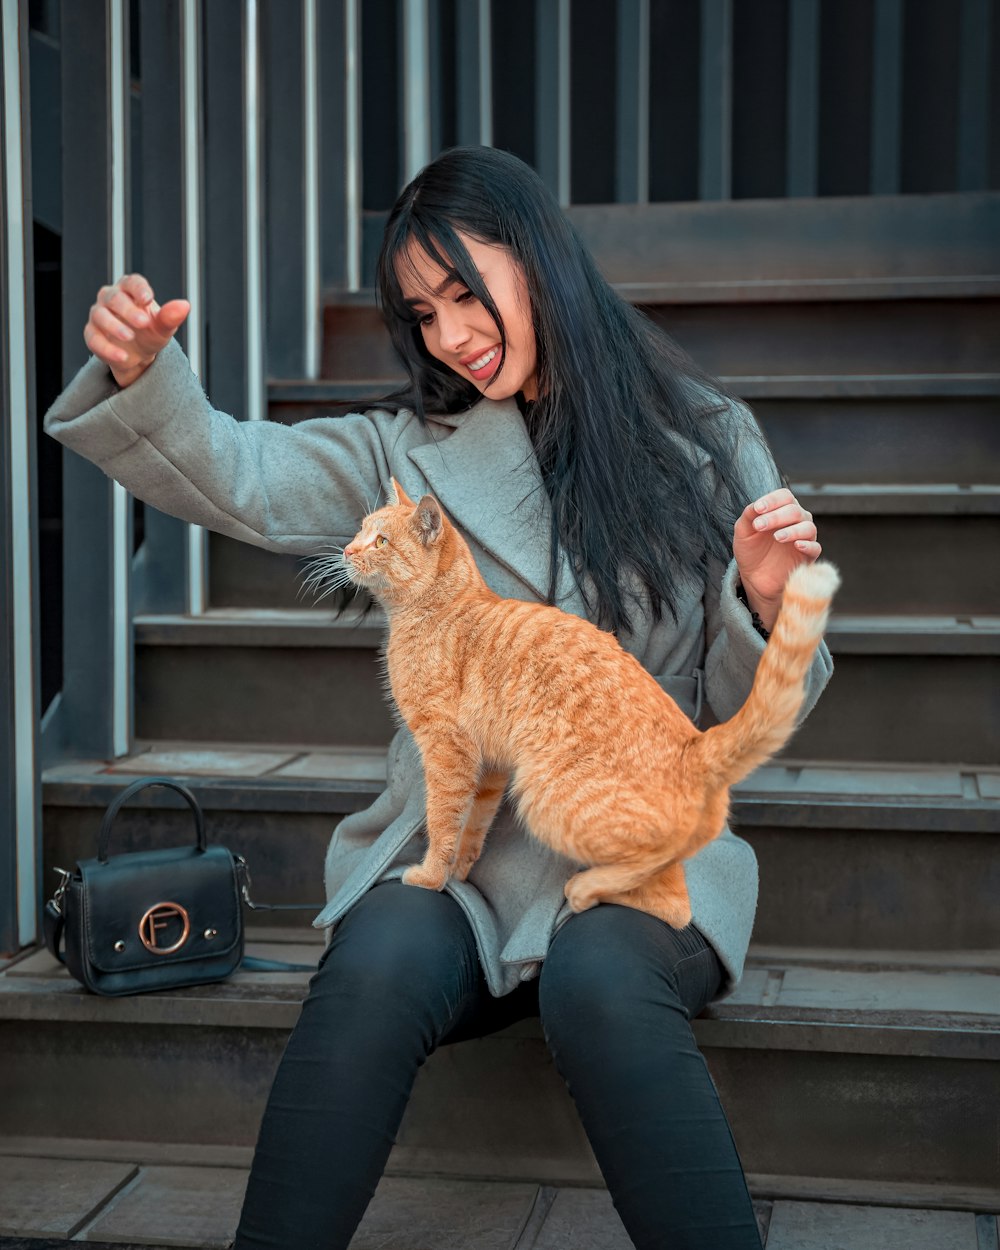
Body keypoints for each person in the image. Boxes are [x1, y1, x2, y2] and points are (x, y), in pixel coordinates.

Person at [46, 145, 832, 1250]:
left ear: (541, 258)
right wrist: (147, 376)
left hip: (635, 844)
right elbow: (242, 468)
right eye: (422, 311)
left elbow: (738, 713)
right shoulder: (403, 454)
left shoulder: (706, 440)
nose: (450, 333)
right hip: (459, 853)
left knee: (603, 977)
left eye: (467, 291)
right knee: (374, 960)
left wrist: (763, 600)